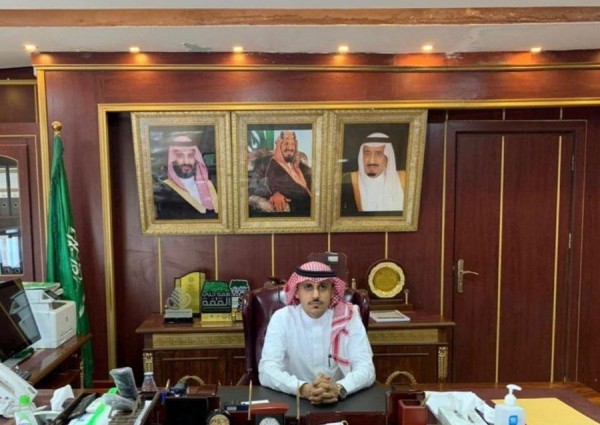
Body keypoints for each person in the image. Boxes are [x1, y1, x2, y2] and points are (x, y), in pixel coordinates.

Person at [259, 261, 375, 404]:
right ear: (297, 291)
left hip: (340, 401)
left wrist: (339, 388)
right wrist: (303, 388)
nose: (315, 295)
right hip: (294, 401)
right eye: (308, 287)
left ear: (332, 291)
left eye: (323, 287)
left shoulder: (348, 316)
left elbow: (366, 368)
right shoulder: (282, 318)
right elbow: (267, 370)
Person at [153, 135, 218, 219]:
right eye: (179, 156)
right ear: (172, 160)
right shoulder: (163, 190)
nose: (186, 162)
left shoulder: (211, 186)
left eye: (190, 155)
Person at [248, 131, 311, 215]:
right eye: (286, 143)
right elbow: (252, 186)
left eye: (293, 144)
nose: (290, 148)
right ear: (279, 145)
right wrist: (274, 194)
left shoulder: (301, 166)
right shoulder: (265, 163)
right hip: (287, 212)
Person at [341, 132, 406, 214]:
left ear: (387, 158)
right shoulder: (348, 180)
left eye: (379, 154)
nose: (371, 161)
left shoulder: (404, 179)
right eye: (367, 154)